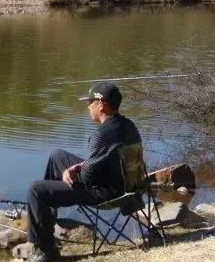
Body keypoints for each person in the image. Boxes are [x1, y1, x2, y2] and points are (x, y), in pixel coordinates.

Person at [24, 82, 142, 262]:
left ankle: (46, 250)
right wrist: (78, 167)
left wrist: (73, 172)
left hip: (107, 193)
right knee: (57, 155)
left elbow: (88, 178)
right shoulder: (127, 125)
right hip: (128, 186)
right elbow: (107, 159)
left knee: (36, 190)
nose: (88, 106)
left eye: (90, 102)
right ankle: (47, 215)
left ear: (101, 104)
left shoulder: (101, 135)